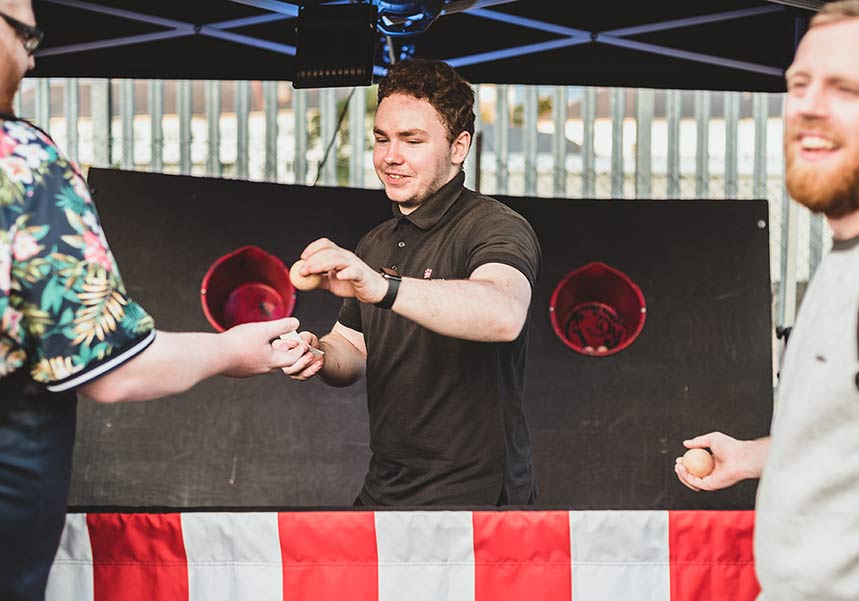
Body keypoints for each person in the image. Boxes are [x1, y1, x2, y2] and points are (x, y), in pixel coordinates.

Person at [0, 1, 306, 598]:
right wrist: (231, 352)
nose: (34, 55)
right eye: (25, 32)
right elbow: (111, 371)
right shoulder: (21, 163)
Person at [675, 1, 859, 599]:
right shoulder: (852, 254)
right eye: (799, 85)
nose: (809, 106)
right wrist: (751, 456)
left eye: (847, 88)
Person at [282, 59, 542, 507]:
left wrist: (382, 287)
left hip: (476, 502)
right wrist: (318, 354)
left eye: (412, 140)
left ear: (459, 147)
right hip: (386, 490)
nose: (390, 157)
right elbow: (354, 351)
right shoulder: (376, 242)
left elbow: (503, 314)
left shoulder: (495, 227)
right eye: (381, 138)